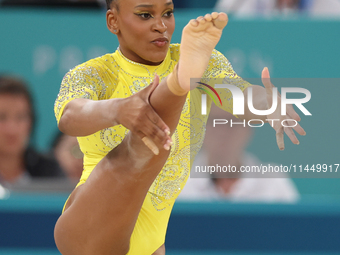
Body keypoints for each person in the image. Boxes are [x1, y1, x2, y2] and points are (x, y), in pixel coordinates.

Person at [53, 0, 305, 254]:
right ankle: (176, 84)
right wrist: (116, 109)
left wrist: (270, 105)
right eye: (145, 15)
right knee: (145, 141)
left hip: (151, 241)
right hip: (91, 222)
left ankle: (176, 83)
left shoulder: (205, 65)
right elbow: (70, 115)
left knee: (152, 135)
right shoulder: (93, 73)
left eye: (168, 13)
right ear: (113, 21)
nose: (161, 26)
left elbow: (243, 95)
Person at [178, 108, 300, 203]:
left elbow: (295, 231)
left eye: (233, 121)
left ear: (249, 129)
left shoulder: (273, 183)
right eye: (214, 121)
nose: (223, 131)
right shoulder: (177, 185)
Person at [0, 75, 63, 188]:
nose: (12, 129)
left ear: (32, 121)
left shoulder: (49, 169)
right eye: (2, 117)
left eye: (21, 117)